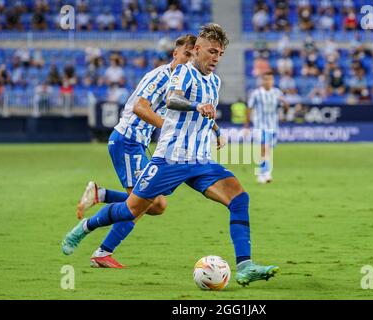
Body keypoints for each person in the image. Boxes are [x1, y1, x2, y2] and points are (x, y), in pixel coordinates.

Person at [62, 23, 279, 286]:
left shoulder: (215, 81)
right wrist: (197, 105)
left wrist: (217, 129)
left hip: (200, 160)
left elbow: (206, 112)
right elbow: (172, 101)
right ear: (197, 50)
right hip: (170, 159)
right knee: (133, 209)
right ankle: (86, 227)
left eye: (220, 54)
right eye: (211, 51)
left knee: (239, 197)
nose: (215, 58)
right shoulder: (182, 74)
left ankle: (245, 265)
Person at [76, 34, 225, 268]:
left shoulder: (187, 80)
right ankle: (102, 251)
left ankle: (101, 196)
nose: (189, 59)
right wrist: (168, 127)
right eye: (185, 54)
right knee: (145, 204)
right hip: (128, 140)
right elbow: (139, 107)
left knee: (155, 205)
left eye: (192, 55)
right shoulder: (160, 75)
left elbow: (195, 112)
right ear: (175, 53)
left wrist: (215, 128)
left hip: (139, 144)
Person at [246, 71, 289, 184]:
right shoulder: (256, 93)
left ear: (273, 80)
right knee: (265, 148)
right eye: (265, 79)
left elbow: (285, 110)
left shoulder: (277, 92)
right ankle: (266, 173)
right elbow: (249, 108)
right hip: (260, 125)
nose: (268, 81)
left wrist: (285, 104)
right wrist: (246, 126)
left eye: (270, 79)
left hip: (273, 126)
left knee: (267, 151)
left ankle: (261, 173)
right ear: (262, 80)